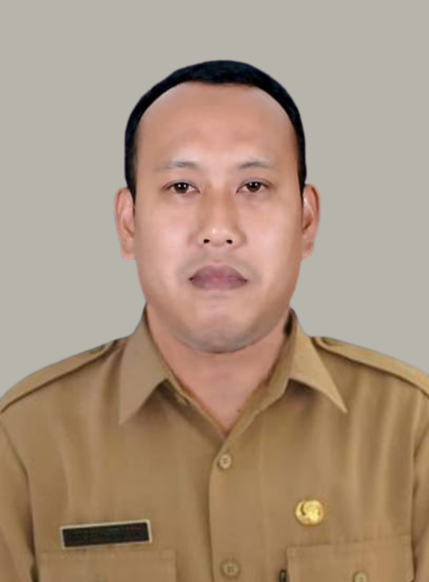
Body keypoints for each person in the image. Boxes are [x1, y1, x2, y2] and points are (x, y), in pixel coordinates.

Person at [0, 59, 427, 582]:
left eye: (254, 186)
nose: (219, 228)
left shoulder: (411, 431)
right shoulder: (24, 443)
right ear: (129, 223)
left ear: (306, 220)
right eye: (182, 187)